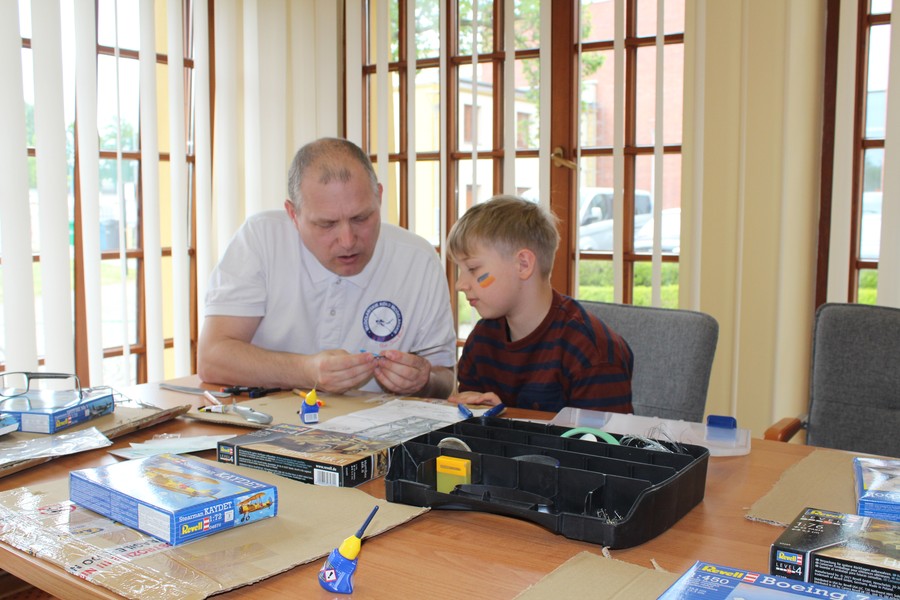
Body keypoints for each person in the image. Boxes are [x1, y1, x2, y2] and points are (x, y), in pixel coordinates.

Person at [198, 137, 456, 398]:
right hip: (266, 423)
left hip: (377, 432)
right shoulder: (262, 239)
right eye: (326, 224)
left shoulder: (418, 259)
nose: (347, 241)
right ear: (293, 215)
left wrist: (423, 380)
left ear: (379, 197)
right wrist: (308, 371)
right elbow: (212, 358)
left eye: (361, 218)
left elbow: (445, 379)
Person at [446, 195, 634, 413]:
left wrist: (510, 424)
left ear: (523, 264)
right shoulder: (481, 341)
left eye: (472, 269)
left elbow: (602, 445)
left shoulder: (590, 352)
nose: (460, 284)